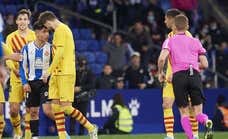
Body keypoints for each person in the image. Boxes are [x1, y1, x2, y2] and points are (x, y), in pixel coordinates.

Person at [38, 11, 98, 139]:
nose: (46, 29)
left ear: (47, 22)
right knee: (55, 106)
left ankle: (91, 127)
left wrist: (48, 71)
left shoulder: (61, 30)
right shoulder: (60, 31)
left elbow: (59, 54)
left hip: (65, 73)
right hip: (57, 73)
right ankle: (62, 136)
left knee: (65, 108)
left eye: (45, 26)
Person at [158, 14, 213, 139]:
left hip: (179, 77)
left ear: (174, 26)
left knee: (184, 113)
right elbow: (205, 64)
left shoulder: (170, 41)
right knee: (198, 112)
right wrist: (192, 65)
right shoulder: (195, 41)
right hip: (195, 76)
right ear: (187, 26)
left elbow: (161, 59)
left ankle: (192, 137)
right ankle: (206, 121)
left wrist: (161, 72)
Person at [162, 9, 198, 139]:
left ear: (172, 19)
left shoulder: (187, 35)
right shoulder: (170, 36)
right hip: (170, 75)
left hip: (183, 74)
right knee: (166, 103)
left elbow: (190, 57)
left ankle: (195, 135)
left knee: (189, 107)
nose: (165, 21)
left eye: (166, 18)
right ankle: (170, 136)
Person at [19, 21, 55, 138]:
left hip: (46, 83)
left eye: (48, 32)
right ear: (37, 33)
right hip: (31, 83)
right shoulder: (26, 48)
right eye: (44, 32)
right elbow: (22, 68)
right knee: (33, 112)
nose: (47, 35)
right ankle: (35, 136)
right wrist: (24, 83)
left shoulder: (51, 48)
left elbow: (56, 66)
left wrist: (50, 76)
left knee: (47, 110)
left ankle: (62, 129)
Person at [5, 9, 36, 139]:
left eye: (25, 19)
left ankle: (28, 136)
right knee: (13, 110)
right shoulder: (11, 37)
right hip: (16, 77)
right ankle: (18, 131)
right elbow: (7, 57)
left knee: (30, 109)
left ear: (28, 21)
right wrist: (15, 70)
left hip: (31, 77)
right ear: (17, 21)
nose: (22, 21)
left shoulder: (34, 36)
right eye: (20, 19)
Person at [70, 56, 96, 135]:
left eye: (84, 63)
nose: (82, 65)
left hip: (84, 96)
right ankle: (72, 132)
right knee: (73, 115)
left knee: (83, 115)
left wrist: (80, 88)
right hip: (74, 96)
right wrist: (73, 88)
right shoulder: (74, 72)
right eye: (81, 63)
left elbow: (91, 85)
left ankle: (81, 132)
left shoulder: (89, 73)